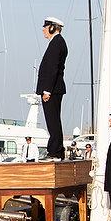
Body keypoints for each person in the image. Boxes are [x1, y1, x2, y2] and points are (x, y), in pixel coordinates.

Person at [36, 17, 68, 160]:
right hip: (54, 89)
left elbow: (52, 68)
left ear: (52, 27)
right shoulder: (56, 43)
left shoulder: (57, 43)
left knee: (53, 120)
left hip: (53, 90)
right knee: (53, 120)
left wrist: (47, 90)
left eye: (45, 26)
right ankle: (57, 150)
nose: (43, 29)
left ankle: (55, 151)